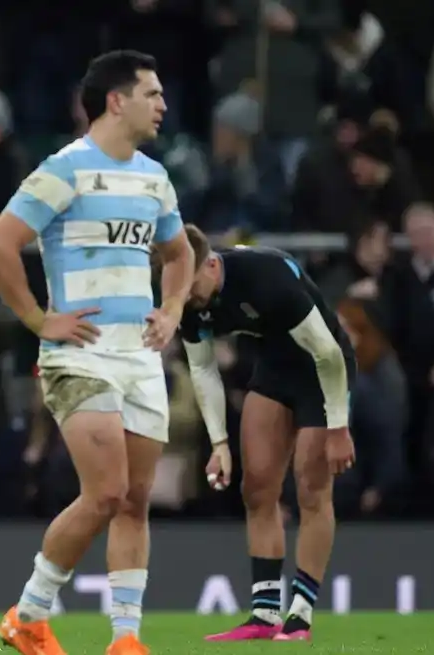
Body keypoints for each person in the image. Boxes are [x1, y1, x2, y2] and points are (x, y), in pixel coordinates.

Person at [0, 50, 193, 655]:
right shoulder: (63, 171)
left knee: (134, 500)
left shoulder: (154, 176)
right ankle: (28, 613)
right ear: (116, 100)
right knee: (104, 493)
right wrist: (39, 319)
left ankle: (125, 639)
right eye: (151, 93)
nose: (163, 105)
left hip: (140, 354)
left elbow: (180, 254)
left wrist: (172, 310)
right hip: (82, 353)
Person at [177, 225, 356, 643]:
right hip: (275, 365)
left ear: (210, 263)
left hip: (321, 367)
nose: (185, 296)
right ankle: (264, 614)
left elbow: (328, 353)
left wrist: (339, 427)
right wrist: (219, 443)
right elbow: (203, 369)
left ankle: (300, 616)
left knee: (312, 489)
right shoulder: (184, 298)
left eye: (188, 284)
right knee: (257, 486)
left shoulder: (265, 277)